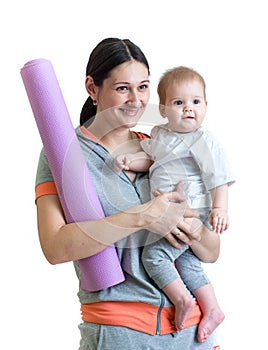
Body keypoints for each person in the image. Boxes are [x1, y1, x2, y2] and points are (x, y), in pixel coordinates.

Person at [35, 38, 221, 349]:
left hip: (194, 334)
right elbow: (55, 247)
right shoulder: (63, 155)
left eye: (144, 87)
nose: (136, 100)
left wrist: (190, 224)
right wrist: (143, 217)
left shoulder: (162, 145)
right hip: (119, 333)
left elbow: (212, 251)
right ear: (92, 88)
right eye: (123, 88)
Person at [115, 66, 235, 342]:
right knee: (188, 263)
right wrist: (129, 162)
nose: (188, 109)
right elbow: (151, 162)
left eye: (196, 102)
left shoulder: (203, 140)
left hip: (191, 210)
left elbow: (219, 177)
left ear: (206, 105)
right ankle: (213, 308)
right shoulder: (160, 135)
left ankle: (182, 299)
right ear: (164, 110)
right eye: (179, 103)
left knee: (154, 256)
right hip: (168, 210)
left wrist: (220, 208)